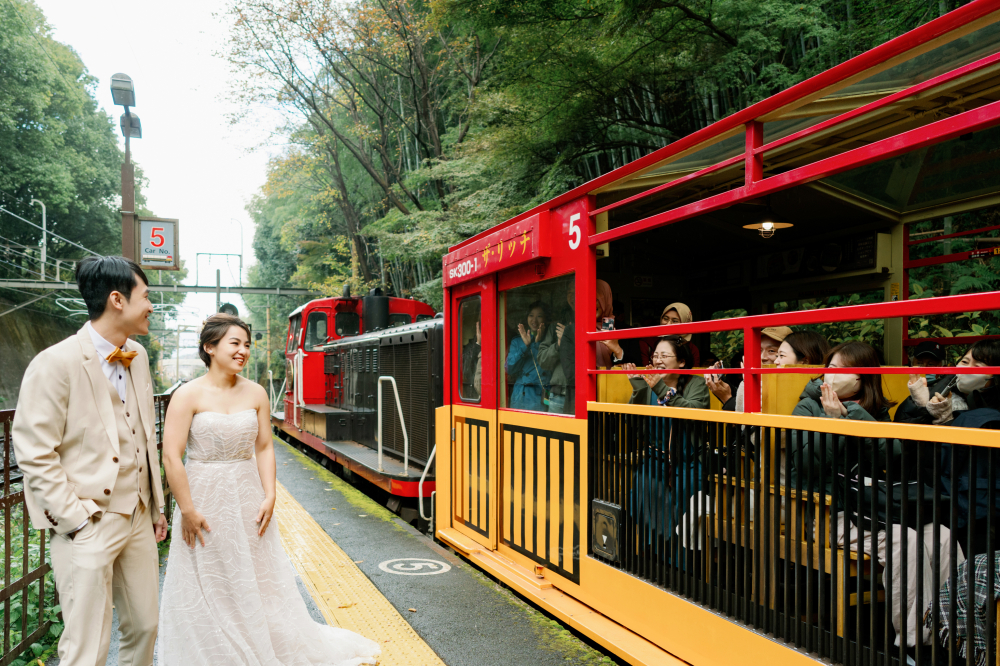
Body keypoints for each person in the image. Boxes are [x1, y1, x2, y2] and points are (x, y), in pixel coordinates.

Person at [158, 314, 380, 664]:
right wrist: (186, 509)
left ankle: (261, 646)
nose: (243, 351)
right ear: (209, 347)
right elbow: (172, 455)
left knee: (256, 577)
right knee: (210, 578)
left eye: (247, 344)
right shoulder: (187, 394)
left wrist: (270, 494)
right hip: (202, 497)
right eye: (235, 343)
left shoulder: (256, 392)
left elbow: (263, 447)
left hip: (247, 497)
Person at [12, 256, 168, 666]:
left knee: (146, 626)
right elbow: (33, 450)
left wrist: (155, 505)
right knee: (86, 647)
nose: (152, 305)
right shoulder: (55, 362)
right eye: (146, 296)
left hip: (137, 514)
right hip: (88, 518)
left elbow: (144, 435)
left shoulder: (137, 355)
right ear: (117, 300)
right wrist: (76, 519)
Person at [789, 341, 962, 649]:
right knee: (905, 542)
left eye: (843, 370)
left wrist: (852, 415)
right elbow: (806, 467)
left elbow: (891, 457)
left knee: (943, 535)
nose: (831, 375)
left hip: (875, 508)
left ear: (862, 378)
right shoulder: (808, 406)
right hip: (832, 512)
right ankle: (915, 642)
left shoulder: (873, 410)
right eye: (830, 367)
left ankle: (958, 632)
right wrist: (833, 422)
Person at [896, 339, 1000, 425]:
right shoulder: (937, 393)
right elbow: (904, 439)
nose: (967, 368)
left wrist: (947, 420)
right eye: (964, 362)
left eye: (977, 366)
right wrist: (921, 405)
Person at [705, 326, 792, 410]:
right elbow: (745, 399)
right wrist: (721, 384)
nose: (762, 357)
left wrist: (726, 398)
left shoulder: (788, 384)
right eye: (759, 350)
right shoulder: (757, 376)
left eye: (771, 351)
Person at [623, 337, 709, 409]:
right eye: (655, 356)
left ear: (681, 362)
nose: (658, 361)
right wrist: (639, 390)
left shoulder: (697, 383)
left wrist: (660, 389)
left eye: (664, 356)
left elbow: (695, 418)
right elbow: (630, 421)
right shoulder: (648, 383)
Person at [505, 301, 553, 411]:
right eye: (531, 316)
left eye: (539, 316)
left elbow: (548, 366)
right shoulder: (518, 341)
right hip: (521, 395)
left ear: (545, 319)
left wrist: (537, 343)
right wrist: (525, 346)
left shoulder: (549, 340)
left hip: (540, 395)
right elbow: (509, 368)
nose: (534, 320)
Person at [539, 279, 576, 415]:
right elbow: (542, 360)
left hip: (584, 393)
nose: (572, 297)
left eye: (576, 292)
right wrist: (559, 344)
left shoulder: (591, 322)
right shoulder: (556, 326)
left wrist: (570, 339)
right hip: (558, 395)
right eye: (569, 292)